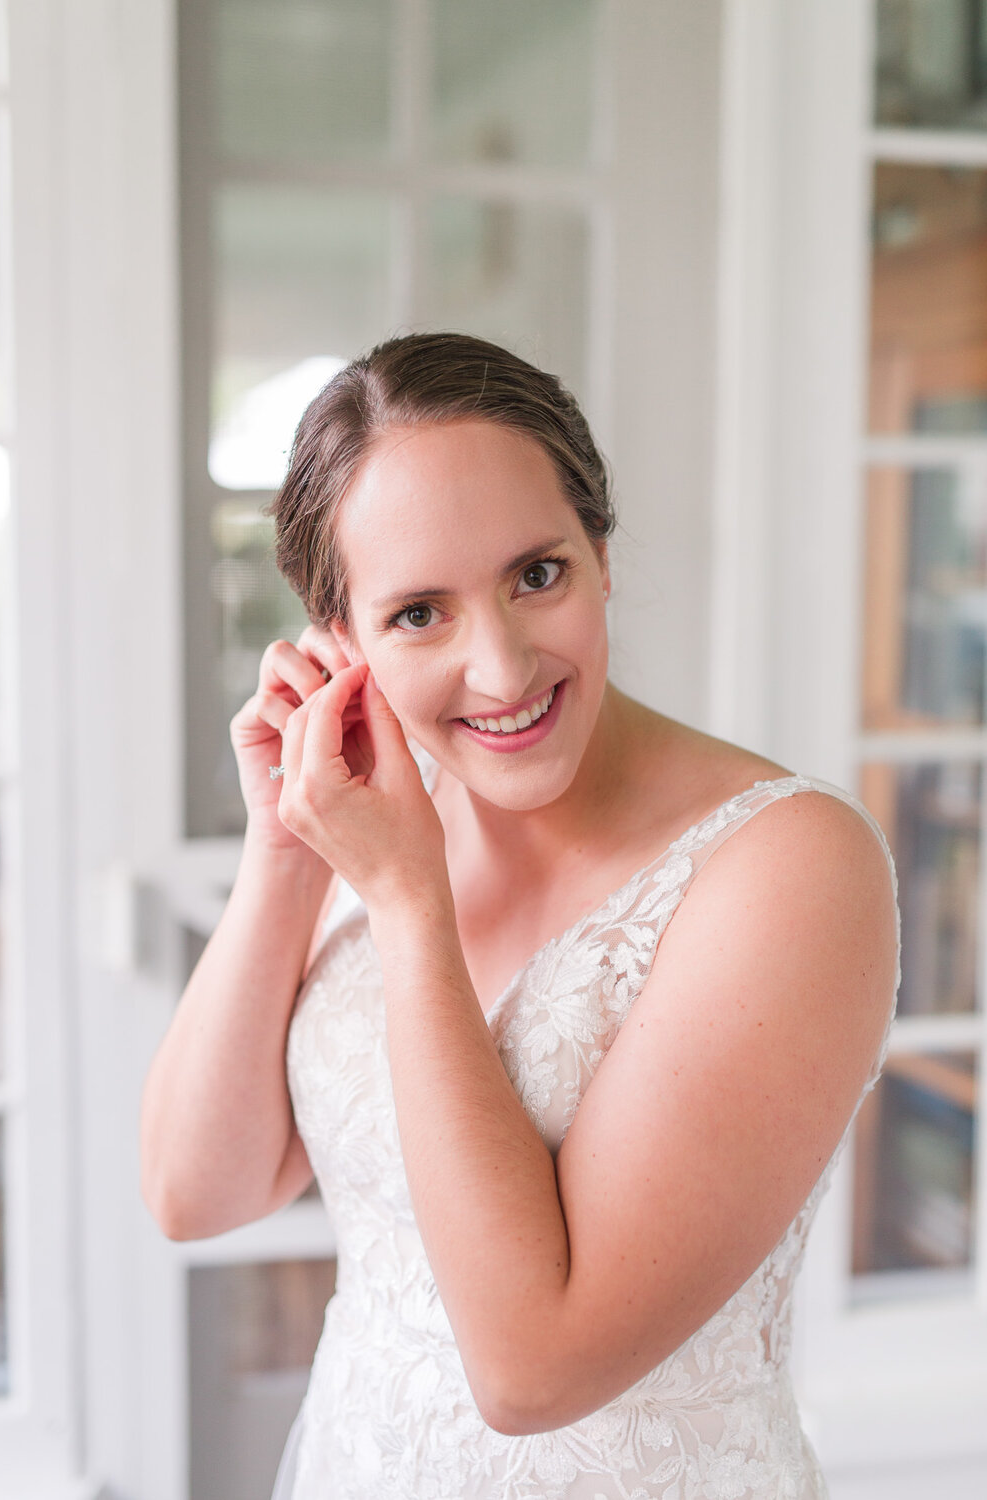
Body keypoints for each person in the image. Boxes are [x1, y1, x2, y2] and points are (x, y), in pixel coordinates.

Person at [140, 332, 900, 1500]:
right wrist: (285, 852)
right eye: (417, 615)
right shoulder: (369, 817)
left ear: (601, 556)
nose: (499, 670)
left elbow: (532, 1372)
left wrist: (409, 904)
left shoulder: (788, 869)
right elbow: (200, 1190)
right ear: (340, 642)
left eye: (535, 575)